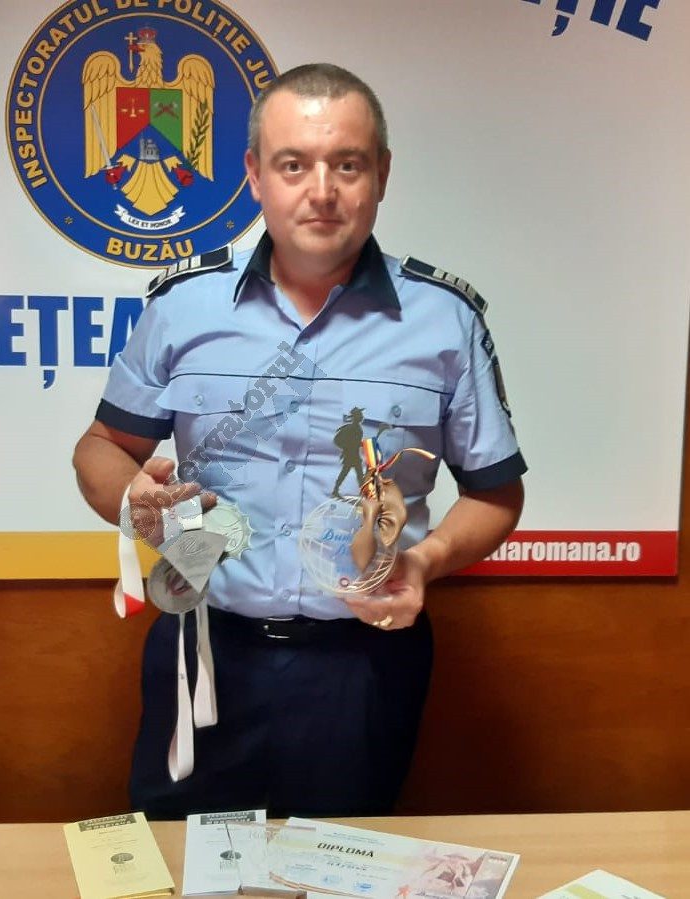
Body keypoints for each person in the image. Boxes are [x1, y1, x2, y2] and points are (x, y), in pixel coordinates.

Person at [73, 63, 525, 819]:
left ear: (381, 175)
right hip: (205, 648)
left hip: (363, 665)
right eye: (293, 165)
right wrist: (135, 496)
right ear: (255, 175)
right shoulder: (184, 307)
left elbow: (496, 493)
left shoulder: (444, 321)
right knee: (183, 859)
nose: (321, 190)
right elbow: (99, 447)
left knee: (339, 862)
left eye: (346, 164)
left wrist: (424, 559)